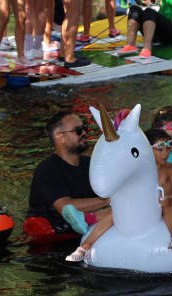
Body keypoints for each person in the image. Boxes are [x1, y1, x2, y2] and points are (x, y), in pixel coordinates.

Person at [26, 111, 112, 260]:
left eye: (84, 128)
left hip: (82, 234)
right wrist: (107, 200)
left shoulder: (89, 164)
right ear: (60, 137)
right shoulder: (47, 169)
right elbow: (65, 207)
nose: (84, 132)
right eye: (78, 130)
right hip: (52, 245)